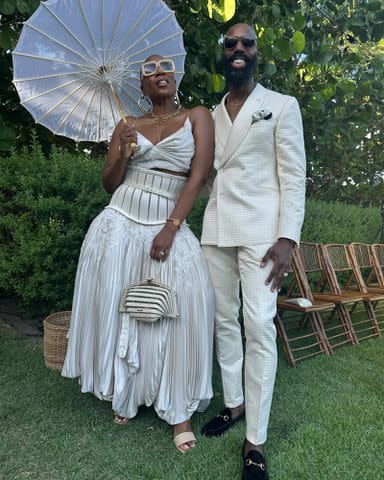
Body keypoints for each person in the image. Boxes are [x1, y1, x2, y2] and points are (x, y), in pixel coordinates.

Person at [62, 55, 215, 454]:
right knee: (122, 307)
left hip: (167, 219)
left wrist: (172, 227)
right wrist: (122, 153)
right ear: (142, 87)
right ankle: (125, 390)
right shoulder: (127, 125)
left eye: (165, 67)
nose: (159, 73)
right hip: (119, 221)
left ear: (176, 77)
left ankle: (178, 409)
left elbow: (198, 176)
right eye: (149, 72)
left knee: (178, 308)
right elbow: (109, 183)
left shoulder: (199, 116)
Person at [200, 24, 306, 479]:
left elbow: (294, 176)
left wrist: (288, 238)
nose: (238, 49)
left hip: (264, 234)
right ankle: (233, 403)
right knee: (223, 319)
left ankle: (255, 440)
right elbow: (203, 174)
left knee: (258, 324)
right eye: (230, 44)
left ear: (257, 52)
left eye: (246, 43)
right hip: (217, 227)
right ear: (222, 54)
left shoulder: (281, 105)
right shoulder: (209, 113)